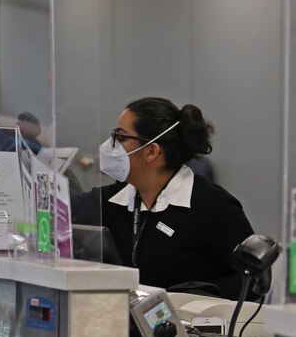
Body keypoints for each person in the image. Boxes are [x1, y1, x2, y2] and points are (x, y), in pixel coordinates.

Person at [91, 97, 253, 300]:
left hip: (192, 325)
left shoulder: (211, 205)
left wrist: (197, 297)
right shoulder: (113, 199)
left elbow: (253, 277)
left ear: (151, 151)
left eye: (120, 137)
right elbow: (64, 210)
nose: (111, 145)